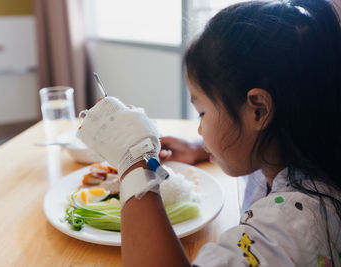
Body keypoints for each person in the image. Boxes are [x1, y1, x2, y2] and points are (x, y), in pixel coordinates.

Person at [77, 0, 341, 266]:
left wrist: (133, 158)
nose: (200, 128)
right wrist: (201, 147)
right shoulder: (302, 155)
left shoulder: (293, 225)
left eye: (202, 112)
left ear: (258, 111)